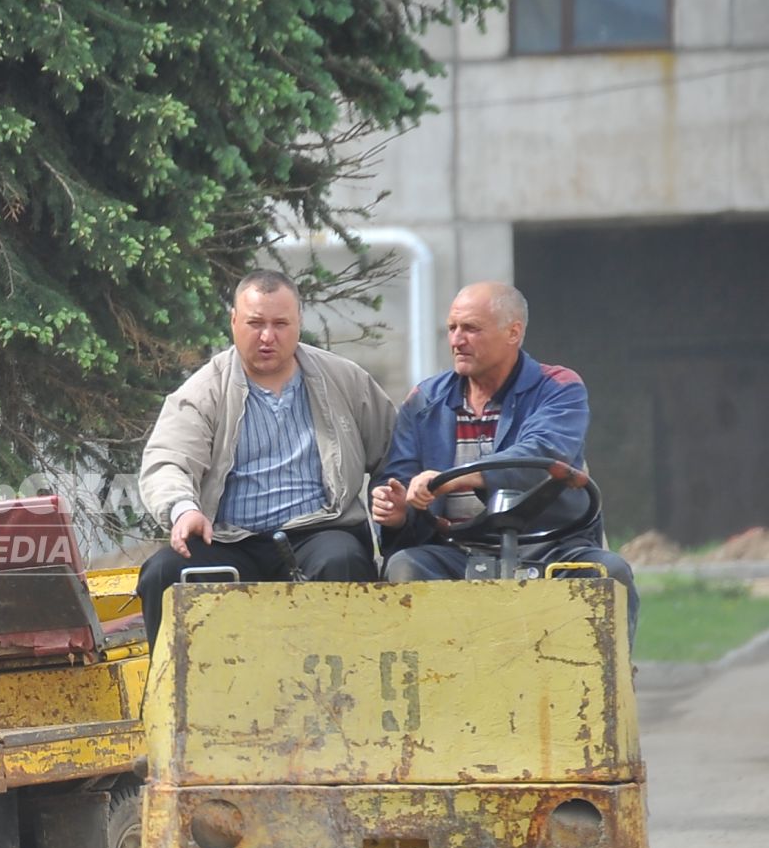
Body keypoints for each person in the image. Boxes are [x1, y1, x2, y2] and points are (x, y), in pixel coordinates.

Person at [137, 270, 397, 645]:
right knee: (163, 573)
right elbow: (167, 461)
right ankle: (174, 699)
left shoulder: (345, 380)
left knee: (344, 562)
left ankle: (350, 694)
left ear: (299, 323)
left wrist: (395, 498)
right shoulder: (203, 391)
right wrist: (183, 509)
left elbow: (393, 451)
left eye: (280, 324)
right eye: (255, 323)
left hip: (319, 532)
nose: (267, 337)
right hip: (229, 540)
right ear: (233, 321)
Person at [371, 281, 638, 632]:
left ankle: (607, 684)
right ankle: (430, 682)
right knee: (405, 567)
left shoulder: (558, 387)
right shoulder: (424, 400)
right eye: (452, 328)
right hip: (457, 550)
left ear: (513, 333)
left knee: (610, 573)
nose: (456, 340)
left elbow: (541, 456)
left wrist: (450, 480)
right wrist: (398, 511)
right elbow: (400, 482)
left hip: (549, 550)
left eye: (471, 329)